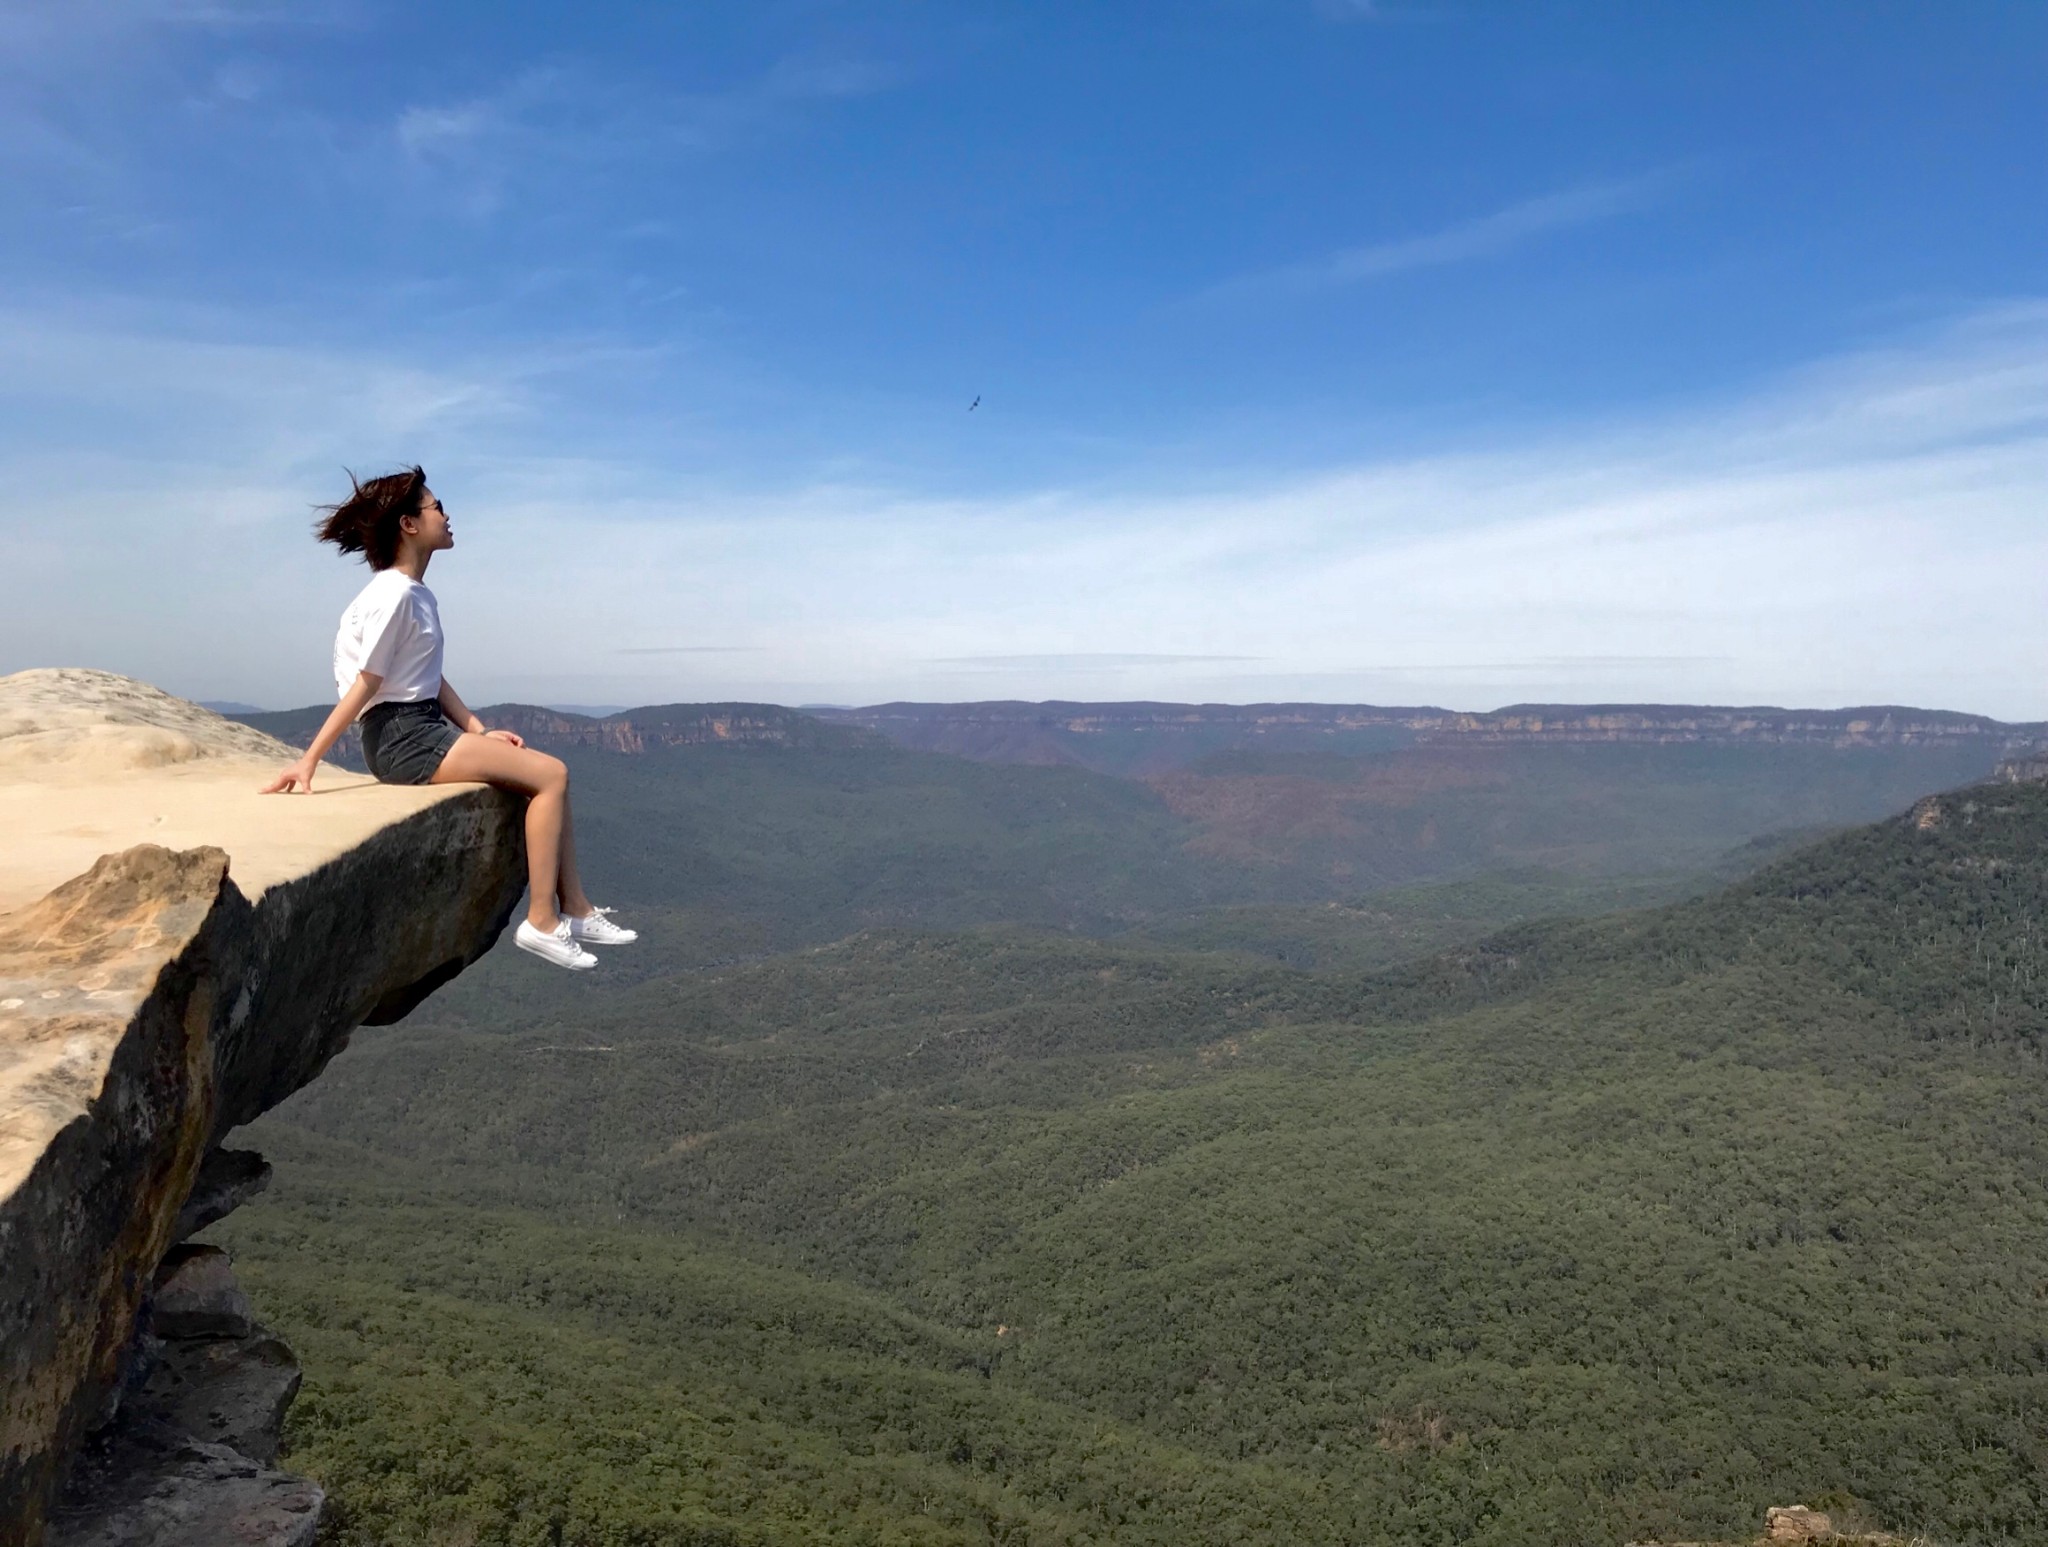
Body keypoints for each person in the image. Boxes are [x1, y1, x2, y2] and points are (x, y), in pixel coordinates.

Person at [260, 466, 634, 971]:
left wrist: (477, 730)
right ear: (409, 525)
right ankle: (541, 922)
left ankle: (577, 909)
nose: (447, 513)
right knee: (552, 775)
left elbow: (428, 676)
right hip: (402, 736)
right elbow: (367, 685)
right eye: (437, 507)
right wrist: (308, 761)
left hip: (417, 726)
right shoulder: (395, 596)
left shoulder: (409, 593)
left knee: (545, 773)